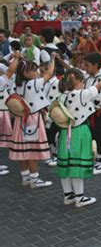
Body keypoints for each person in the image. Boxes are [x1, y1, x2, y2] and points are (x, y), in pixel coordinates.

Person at [55, 67, 101, 207]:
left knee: (66, 163)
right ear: (79, 82)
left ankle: (68, 195)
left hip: (64, 132)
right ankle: (80, 198)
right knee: (77, 164)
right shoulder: (80, 94)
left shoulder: (61, 96)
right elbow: (99, 86)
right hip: (79, 132)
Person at [9, 56, 56, 189]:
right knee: (32, 151)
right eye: (34, 70)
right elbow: (49, 73)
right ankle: (34, 179)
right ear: (25, 73)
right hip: (32, 119)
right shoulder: (33, 84)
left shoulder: (17, 84)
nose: (37, 73)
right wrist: (52, 59)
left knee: (23, 150)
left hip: (20, 119)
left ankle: (25, 177)